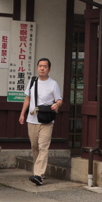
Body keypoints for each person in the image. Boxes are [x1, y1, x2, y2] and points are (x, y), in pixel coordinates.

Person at [19, 58, 62, 186]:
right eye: (40, 66)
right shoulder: (32, 81)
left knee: (43, 147)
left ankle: (38, 174)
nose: (42, 68)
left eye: (45, 66)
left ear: (49, 69)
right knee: (34, 147)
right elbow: (27, 98)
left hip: (46, 120)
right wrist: (22, 113)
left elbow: (59, 100)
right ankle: (38, 172)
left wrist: (56, 105)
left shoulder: (53, 84)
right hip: (32, 119)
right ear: (37, 68)